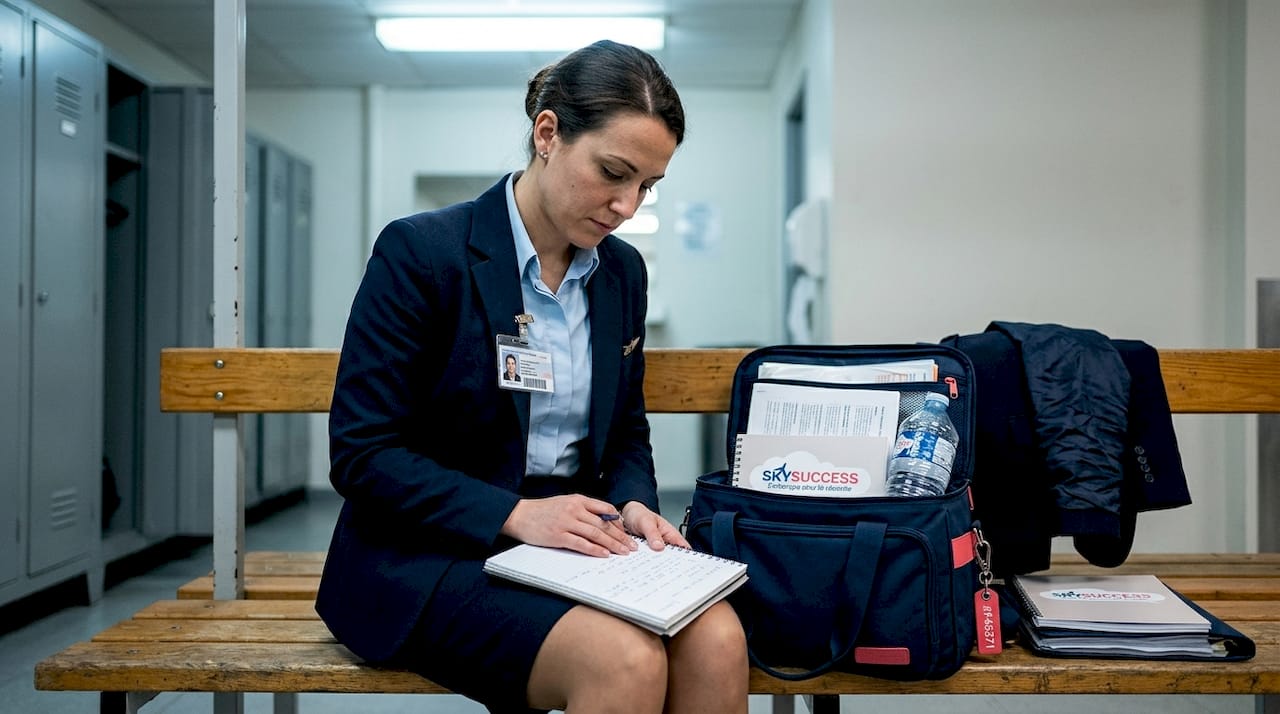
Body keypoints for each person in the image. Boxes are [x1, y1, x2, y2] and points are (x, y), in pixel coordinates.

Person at [316, 39, 748, 714]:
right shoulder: (423, 255)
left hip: (572, 539)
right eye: (614, 172)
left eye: (647, 186)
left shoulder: (620, 273)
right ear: (547, 134)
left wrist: (634, 501)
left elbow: (625, 432)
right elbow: (364, 455)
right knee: (625, 661)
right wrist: (515, 513)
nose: (627, 206)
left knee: (717, 641)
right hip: (431, 550)